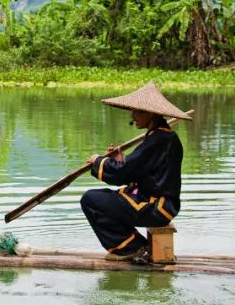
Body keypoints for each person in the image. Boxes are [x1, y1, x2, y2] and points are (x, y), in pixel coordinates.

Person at [81, 82, 190, 262]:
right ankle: (133, 245)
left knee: (91, 200)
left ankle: (131, 247)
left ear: (151, 114)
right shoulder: (160, 137)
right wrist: (117, 161)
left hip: (156, 208)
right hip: (158, 205)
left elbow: (122, 173)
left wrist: (99, 161)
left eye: (137, 112)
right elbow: (138, 171)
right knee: (101, 198)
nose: (132, 116)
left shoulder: (159, 139)